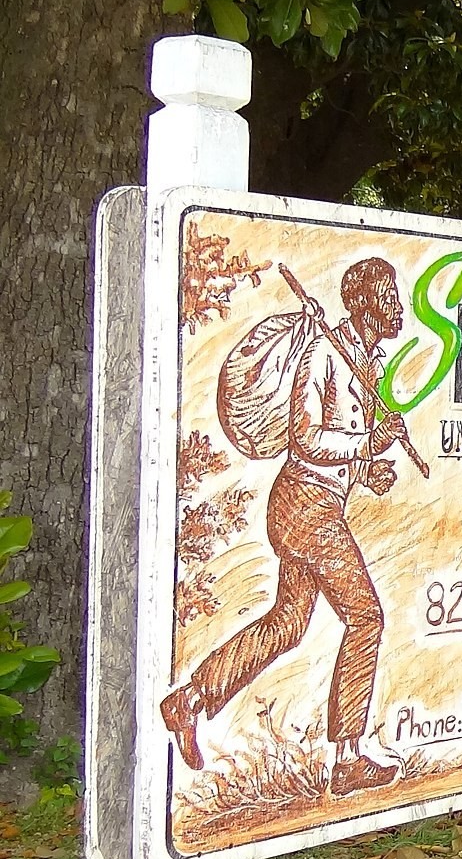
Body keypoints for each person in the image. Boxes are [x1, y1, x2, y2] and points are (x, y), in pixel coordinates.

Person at [159, 256, 411, 797]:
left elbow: (338, 451)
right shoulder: (324, 352)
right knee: (365, 616)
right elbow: (306, 439)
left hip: (316, 504)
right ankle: (347, 758)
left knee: (288, 623)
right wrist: (368, 443)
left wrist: (367, 469)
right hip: (304, 506)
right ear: (364, 302)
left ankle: (191, 698)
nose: (398, 306)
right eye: (389, 295)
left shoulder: (364, 362)